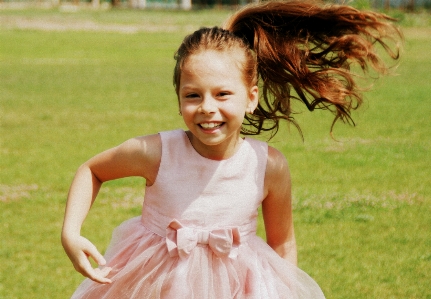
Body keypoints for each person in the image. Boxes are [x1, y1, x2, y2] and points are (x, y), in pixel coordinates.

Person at [62, 1, 401, 298]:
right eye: (193, 95)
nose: (207, 107)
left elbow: (283, 242)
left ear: (251, 97)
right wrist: (71, 233)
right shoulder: (156, 153)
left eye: (222, 94)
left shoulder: (268, 166)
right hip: (156, 284)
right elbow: (92, 170)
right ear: (179, 101)